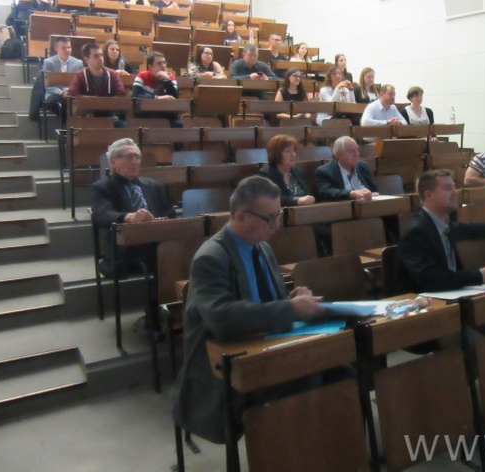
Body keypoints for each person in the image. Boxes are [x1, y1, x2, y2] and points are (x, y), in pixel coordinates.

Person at [170, 176, 326, 444]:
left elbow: (267, 302)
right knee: (308, 382)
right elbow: (221, 318)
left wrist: (291, 299)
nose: (276, 224)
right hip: (226, 365)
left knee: (340, 371)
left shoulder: (263, 247)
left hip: (268, 348)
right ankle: (294, 457)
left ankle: (334, 456)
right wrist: (288, 309)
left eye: (279, 215)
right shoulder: (211, 257)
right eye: (269, 218)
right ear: (241, 217)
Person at [396, 169, 485, 292]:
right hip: (425, 299)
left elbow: (465, 229)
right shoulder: (416, 231)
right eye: (448, 188)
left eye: (454, 187)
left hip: (448, 292)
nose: (455, 192)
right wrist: (480, 275)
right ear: (428, 195)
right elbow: (429, 280)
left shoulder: (442, 224)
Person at [91, 138, 173, 277]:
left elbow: (169, 212)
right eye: (129, 157)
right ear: (112, 162)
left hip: (157, 242)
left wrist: (163, 219)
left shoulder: (154, 185)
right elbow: (102, 215)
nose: (134, 161)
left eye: (137, 157)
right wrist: (129, 217)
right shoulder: (102, 187)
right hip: (126, 249)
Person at [69, 43, 128, 127]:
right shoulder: (81, 75)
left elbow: (121, 94)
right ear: (86, 59)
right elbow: (73, 95)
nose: (100, 58)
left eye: (101, 55)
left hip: (109, 117)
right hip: (86, 119)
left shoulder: (112, 74)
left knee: (124, 126)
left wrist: (98, 102)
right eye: (96, 56)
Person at [256, 135, 315, 206]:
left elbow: (308, 193)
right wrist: (296, 201)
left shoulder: (297, 172)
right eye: (288, 151)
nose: (293, 154)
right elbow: (269, 199)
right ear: (276, 154)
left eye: (294, 151)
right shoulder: (265, 174)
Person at [315, 136, 378, 201]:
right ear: (338, 154)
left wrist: (373, 193)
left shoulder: (362, 167)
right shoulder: (325, 171)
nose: (357, 154)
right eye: (352, 151)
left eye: (357, 150)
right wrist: (350, 194)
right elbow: (325, 193)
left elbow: (373, 189)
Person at [39, 36, 84, 119]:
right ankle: (66, 122)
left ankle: (73, 122)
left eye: (69, 47)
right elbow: (48, 84)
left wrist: (69, 91)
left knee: (81, 101)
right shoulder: (49, 62)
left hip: (71, 93)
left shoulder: (78, 63)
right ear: (56, 49)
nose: (67, 50)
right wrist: (61, 93)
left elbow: (79, 82)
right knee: (53, 102)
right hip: (55, 93)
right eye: (63, 48)